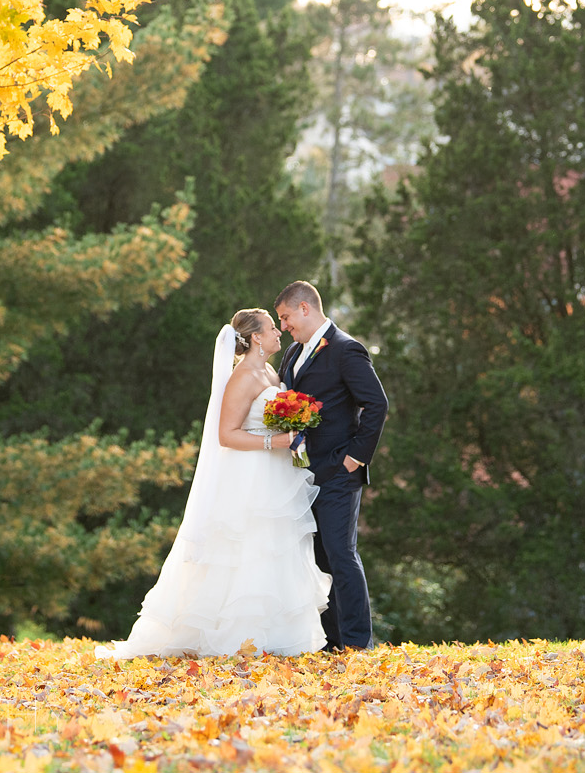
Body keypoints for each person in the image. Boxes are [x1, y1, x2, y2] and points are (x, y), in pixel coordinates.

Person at [97, 308, 330, 658]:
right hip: (248, 473)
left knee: (272, 547)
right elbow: (226, 434)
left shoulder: (268, 371)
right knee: (244, 548)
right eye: (271, 328)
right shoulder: (243, 377)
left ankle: (272, 638)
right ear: (255, 338)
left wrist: (289, 432)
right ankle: (234, 639)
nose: (278, 333)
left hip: (275, 472)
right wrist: (274, 442)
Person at [275, 279, 388, 651]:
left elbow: (377, 404)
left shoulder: (346, 349)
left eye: (287, 316)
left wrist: (355, 457)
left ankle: (358, 643)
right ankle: (332, 640)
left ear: (305, 308)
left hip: (340, 472)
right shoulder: (292, 353)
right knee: (319, 558)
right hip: (304, 474)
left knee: (341, 553)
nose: (284, 325)